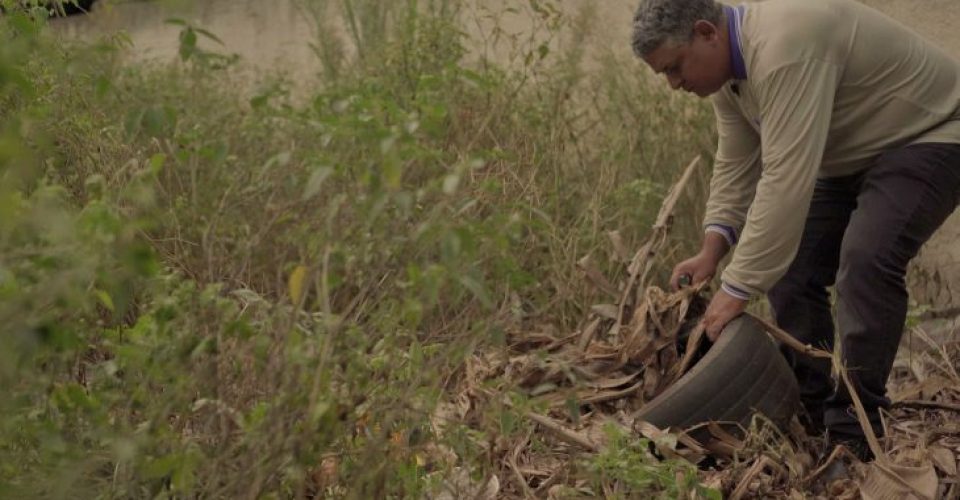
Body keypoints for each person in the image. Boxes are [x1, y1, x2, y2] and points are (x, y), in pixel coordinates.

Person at [631, 0, 960, 459]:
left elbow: (785, 177)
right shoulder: (731, 75)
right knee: (793, 270)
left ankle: (855, 431)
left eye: (675, 67)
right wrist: (713, 248)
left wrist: (736, 287)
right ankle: (811, 406)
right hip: (850, 154)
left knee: (865, 262)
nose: (674, 84)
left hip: (931, 132)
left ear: (707, 33)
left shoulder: (786, 42)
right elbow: (737, 161)